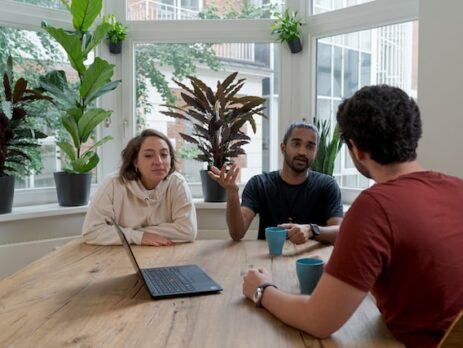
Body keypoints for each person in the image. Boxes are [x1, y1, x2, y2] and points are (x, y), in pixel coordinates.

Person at [241, 85, 463, 347]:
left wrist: (262, 289)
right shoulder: (457, 187)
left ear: (356, 150)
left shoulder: (374, 207)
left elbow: (318, 321)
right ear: (414, 135)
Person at [209, 121, 343, 245]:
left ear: (316, 152)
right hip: (267, 261)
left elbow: (339, 232)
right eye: (296, 144)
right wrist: (232, 194)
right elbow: (237, 233)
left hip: (310, 263)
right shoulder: (259, 184)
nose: (302, 152)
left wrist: (311, 230)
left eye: (310, 146)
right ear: (283, 147)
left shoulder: (327, 185)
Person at [82, 129, 197, 246]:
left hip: (165, 253)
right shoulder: (113, 184)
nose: (159, 161)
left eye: (164, 155)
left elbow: (188, 231)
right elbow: (91, 232)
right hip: (119, 256)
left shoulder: (177, 183)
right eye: (148, 155)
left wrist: (127, 233)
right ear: (135, 161)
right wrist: (138, 237)